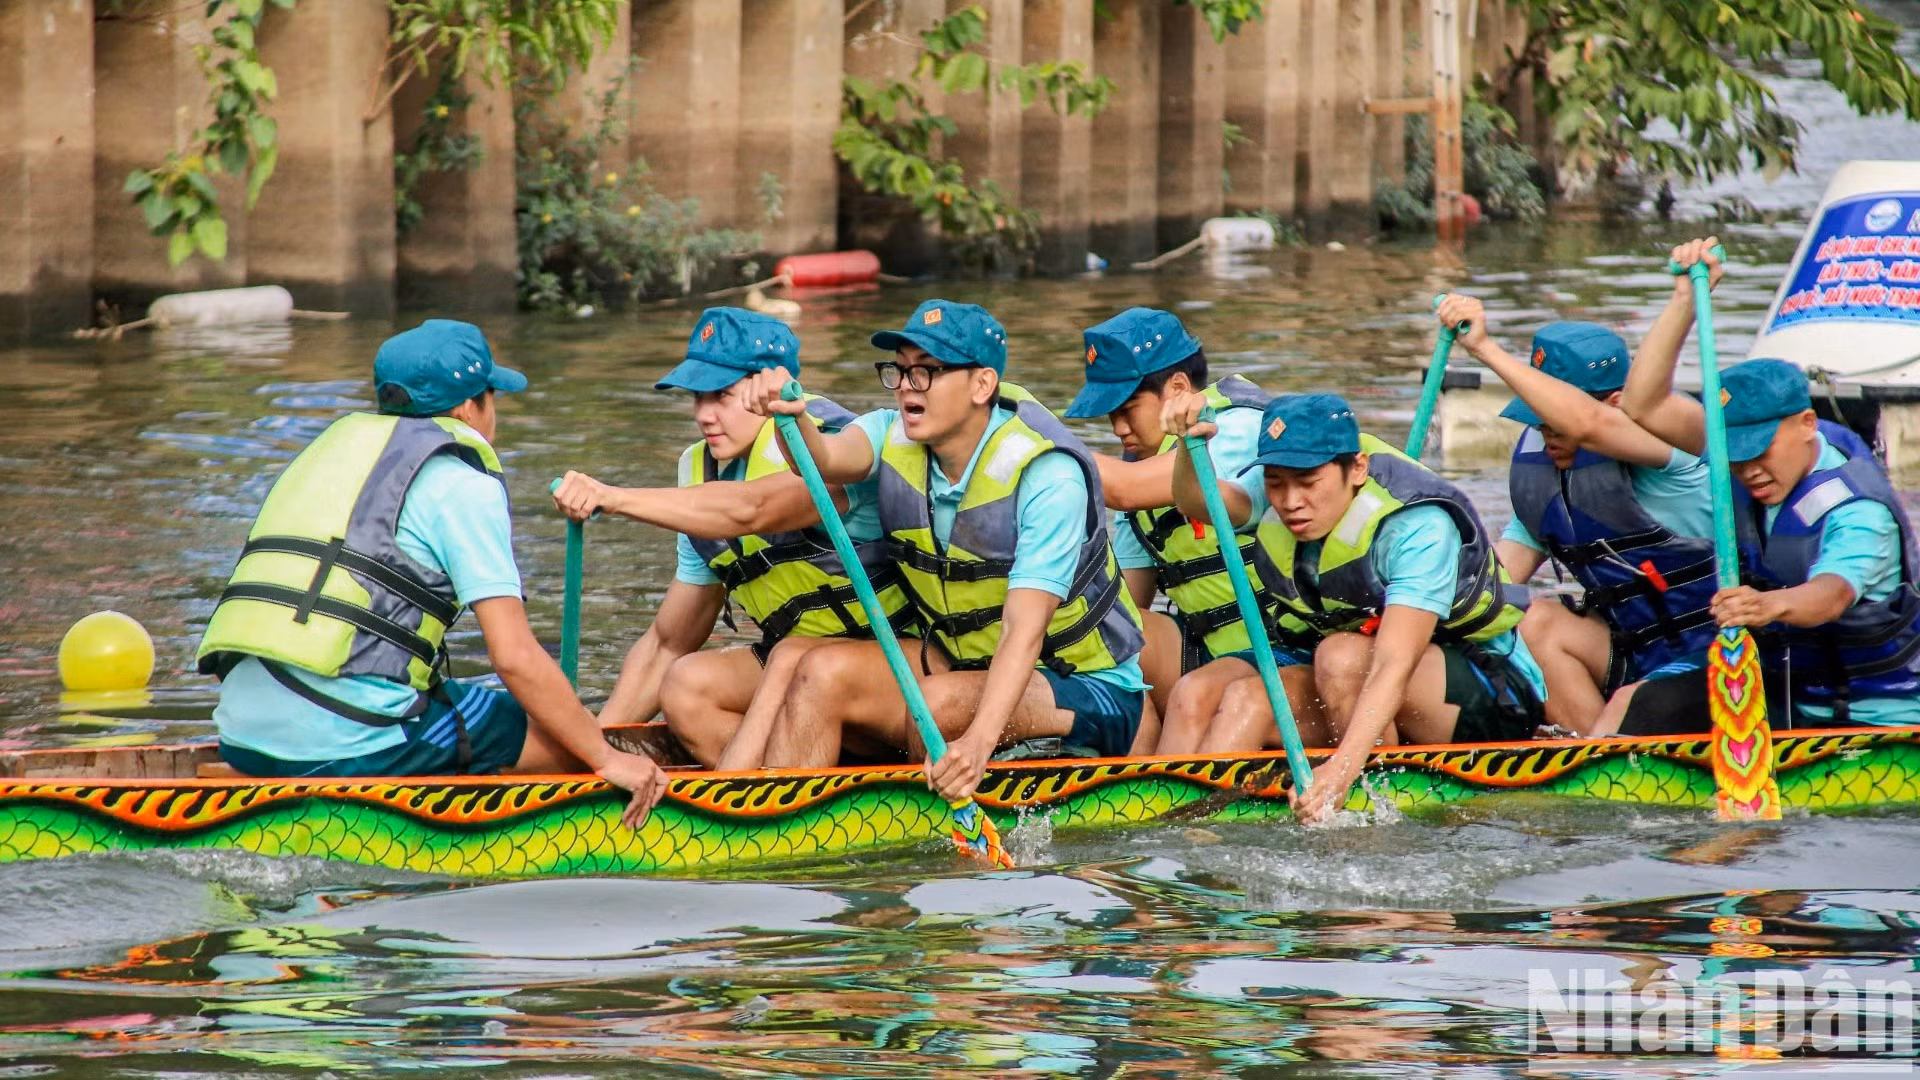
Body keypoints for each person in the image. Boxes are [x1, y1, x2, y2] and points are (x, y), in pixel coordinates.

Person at [197, 319, 666, 826]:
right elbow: (514, 658)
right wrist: (606, 759)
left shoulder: (328, 456)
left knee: (512, 716)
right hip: (345, 741)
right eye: (492, 396)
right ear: (469, 407)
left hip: (241, 732)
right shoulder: (462, 484)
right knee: (559, 739)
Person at [738, 299, 1149, 799]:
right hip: (964, 667)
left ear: (981, 385)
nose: (908, 386)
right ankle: (783, 828)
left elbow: (1025, 629)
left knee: (935, 706)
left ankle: (917, 819)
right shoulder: (891, 433)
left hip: (1089, 688)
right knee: (818, 671)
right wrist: (790, 415)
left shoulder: (1048, 474)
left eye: (928, 372)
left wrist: (977, 744)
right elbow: (821, 460)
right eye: (901, 371)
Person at [550, 307, 912, 768]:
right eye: (697, 398)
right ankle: (782, 778)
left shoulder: (829, 449)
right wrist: (594, 753)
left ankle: (763, 801)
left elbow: (749, 509)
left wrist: (611, 497)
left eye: (721, 395)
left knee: (801, 662)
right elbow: (667, 641)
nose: (704, 415)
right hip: (797, 672)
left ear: (767, 389)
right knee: (686, 683)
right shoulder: (701, 473)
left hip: (892, 677)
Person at [1164, 393, 1548, 824]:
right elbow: (1196, 503)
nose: (1290, 501)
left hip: (1488, 691)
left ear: (1358, 468)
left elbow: (1393, 665)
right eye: (1276, 482)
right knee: (1242, 700)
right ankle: (1191, 835)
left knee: (1340, 656)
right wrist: (1186, 444)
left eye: (1308, 482)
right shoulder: (1287, 482)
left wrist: (1341, 772)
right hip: (1355, 682)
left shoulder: (1418, 526)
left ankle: (1379, 814)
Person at [1613, 238, 1920, 732]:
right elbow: (1643, 406)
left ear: (1805, 424)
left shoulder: (1857, 511)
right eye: (1735, 456)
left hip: (1866, 717)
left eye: (1759, 453)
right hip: (1779, 685)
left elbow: (1831, 595)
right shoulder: (1752, 457)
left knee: (1655, 710)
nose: (1748, 469)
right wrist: (1685, 302)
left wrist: (1766, 605)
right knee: (1637, 700)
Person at [1436, 296, 1719, 735]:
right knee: (1534, 621)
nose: (1548, 435)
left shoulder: (1677, 455)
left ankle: (1606, 752)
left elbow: (1590, 424)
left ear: (1615, 404)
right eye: (1539, 422)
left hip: (1720, 653)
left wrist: (1484, 348)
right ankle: (1590, 752)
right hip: (1632, 651)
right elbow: (1497, 578)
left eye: (1556, 420)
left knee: (1630, 701)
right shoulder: (1546, 472)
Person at [1065, 307, 1282, 745]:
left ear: (1179, 389)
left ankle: (1162, 786)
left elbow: (1123, 488)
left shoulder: (1236, 427)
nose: (1118, 429)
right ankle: (1132, 771)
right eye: (1110, 416)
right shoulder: (1139, 472)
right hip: (1205, 653)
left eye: (1128, 409)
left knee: (1190, 690)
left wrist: (1023, 448)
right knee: (1100, 632)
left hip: (1283, 647)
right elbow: (1127, 608)